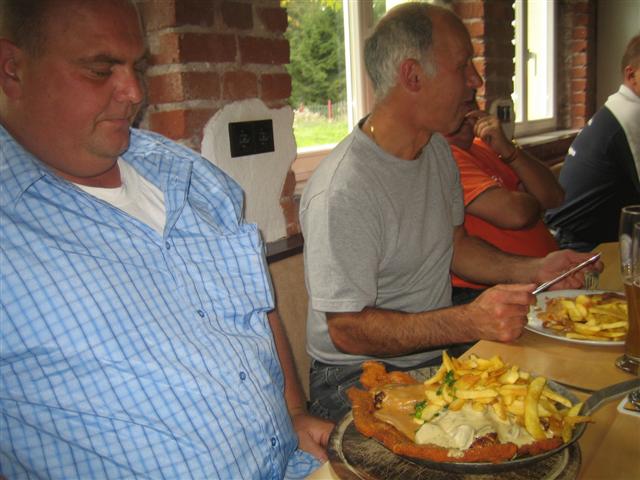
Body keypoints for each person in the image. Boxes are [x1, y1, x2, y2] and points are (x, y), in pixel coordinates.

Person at [0, 0, 333, 478]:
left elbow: (252, 305)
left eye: (138, 67)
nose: (134, 92)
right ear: (12, 68)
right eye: (100, 70)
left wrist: (294, 412)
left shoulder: (184, 171)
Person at [299, 3, 601, 422]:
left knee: (564, 398)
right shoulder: (343, 189)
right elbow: (346, 329)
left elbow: (456, 247)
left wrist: (537, 269)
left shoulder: (436, 151)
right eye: (463, 66)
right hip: (355, 374)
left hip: (434, 356)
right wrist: (469, 321)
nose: (476, 80)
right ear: (412, 76)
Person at [446, 106, 564, 304]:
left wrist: (509, 150)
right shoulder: (445, 157)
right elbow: (516, 214)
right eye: (461, 102)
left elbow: (554, 197)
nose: (469, 112)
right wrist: (533, 200)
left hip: (543, 276)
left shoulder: (485, 146)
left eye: (472, 100)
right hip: (488, 291)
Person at [545, 33, 640, 252]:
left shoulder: (618, 107)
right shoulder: (631, 114)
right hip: (577, 247)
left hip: (572, 236)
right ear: (631, 75)